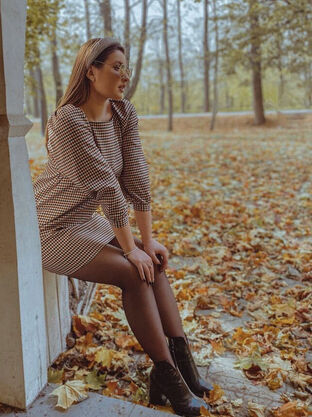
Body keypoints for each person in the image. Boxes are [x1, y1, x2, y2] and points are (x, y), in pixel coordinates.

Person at [33, 37, 212, 416]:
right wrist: (130, 249)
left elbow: (136, 178)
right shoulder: (67, 120)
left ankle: (183, 366)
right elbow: (106, 186)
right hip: (48, 226)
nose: (125, 75)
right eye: (116, 67)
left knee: (152, 262)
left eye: (125, 68)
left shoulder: (122, 113)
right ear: (91, 71)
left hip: (85, 220)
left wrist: (146, 242)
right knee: (133, 271)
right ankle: (166, 375)